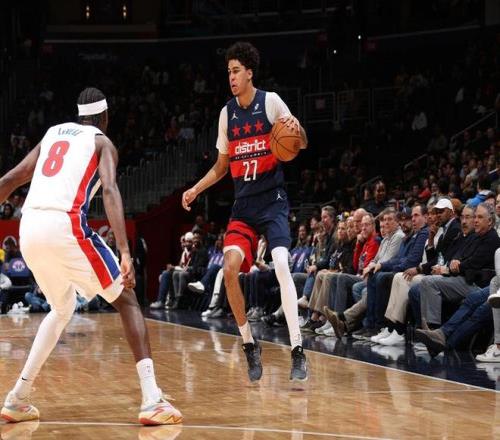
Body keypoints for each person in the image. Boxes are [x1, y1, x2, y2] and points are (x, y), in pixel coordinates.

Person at [0, 87, 182, 425]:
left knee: (62, 308)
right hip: (64, 225)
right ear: (105, 117)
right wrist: (124, 251)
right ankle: (152, 399)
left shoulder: (53, 133)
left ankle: (18, 398)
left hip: (29, 226)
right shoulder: (102, 143)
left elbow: (12, 178)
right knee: (127, 300)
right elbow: (110, 190)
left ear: (80, 115)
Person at [182, 42, 308, 382]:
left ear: (250, 72)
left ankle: (298, 349)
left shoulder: (271, 102)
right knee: (229, 268)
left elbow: (301, 142)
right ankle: (249, 344)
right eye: (229, 72)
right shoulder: (227, 114)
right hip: (244, 205)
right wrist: (196, 189)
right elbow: (221, 166)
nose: (231, 77)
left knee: (281, 264)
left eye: (236, 71)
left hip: (273, 201)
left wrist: (297, 129)